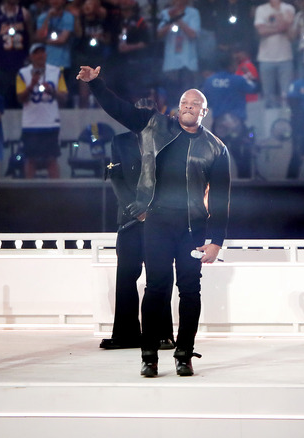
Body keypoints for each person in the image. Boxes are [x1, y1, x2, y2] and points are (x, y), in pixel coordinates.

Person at [77, 64, 231, 378]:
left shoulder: (216, 148)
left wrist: (216, 240)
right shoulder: (154, 124)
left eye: (195, 104)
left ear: (205, 112)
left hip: (193, 229)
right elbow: (118, 108)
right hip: (158, 222)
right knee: (156, 288)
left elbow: (221, 198)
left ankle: (184, 354)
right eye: (185, 103)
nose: (189, 107)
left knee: (190, 291)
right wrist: (96, 84)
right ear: (178, 108)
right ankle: (149, 356)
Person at [100, 104, 175, 351]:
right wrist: (134, 207)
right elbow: (116, 176)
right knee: (126, 275)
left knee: (159, 276)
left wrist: (150, 208)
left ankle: (162, 333)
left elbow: (169, 178)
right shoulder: (120, 141)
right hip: (129, 216)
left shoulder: (167, 140)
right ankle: (125, 334)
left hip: (158, 216)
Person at [16, 43, 68, 178]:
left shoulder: (56, 71)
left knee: (52, 158)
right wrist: (31, 85)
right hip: (31, 124)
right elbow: (20, 98)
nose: (40, 55)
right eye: (37, 53)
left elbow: (64, 98)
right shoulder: (23, 73)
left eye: (42, 52)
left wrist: (51, 91)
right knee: (30, 159)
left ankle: (56, 192)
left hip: (51, 122)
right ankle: (29, 194)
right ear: (31, 56)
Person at [202, 52, 258, 179]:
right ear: (231, 65)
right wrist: (248, 76)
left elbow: (206, 99)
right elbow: (254, 87)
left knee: (217, 158)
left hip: (219, 125)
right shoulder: (238, 80)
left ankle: (216, 188)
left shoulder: (209, 81)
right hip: (236, 124)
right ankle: (245, 186)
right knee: (241, 155)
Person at [0, 0, 34, 108]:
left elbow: (31, 36)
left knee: (22, 98)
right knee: (3, 97)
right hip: (2, 62)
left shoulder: (24, 13)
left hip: (20, 62)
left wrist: (30, 54)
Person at [157, 0, 201, 108]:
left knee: (187, 99)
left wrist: (178, 19)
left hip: (188, 62)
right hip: (171, 63)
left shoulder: (193, 12)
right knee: (172, 100)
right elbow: (158, 34)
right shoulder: (166, 13)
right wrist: (171, 21)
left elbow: (193, 34)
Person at [254, 0, 295, 108]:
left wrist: (272, 27)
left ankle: (286, 120)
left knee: (286, 95)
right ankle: (268, 122)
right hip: (266, 58)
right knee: (268, 95)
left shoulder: (289, 8)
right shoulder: (261, 9)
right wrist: (280, 28)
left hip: (285, 57)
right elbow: (261, 31)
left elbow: (291, 32)